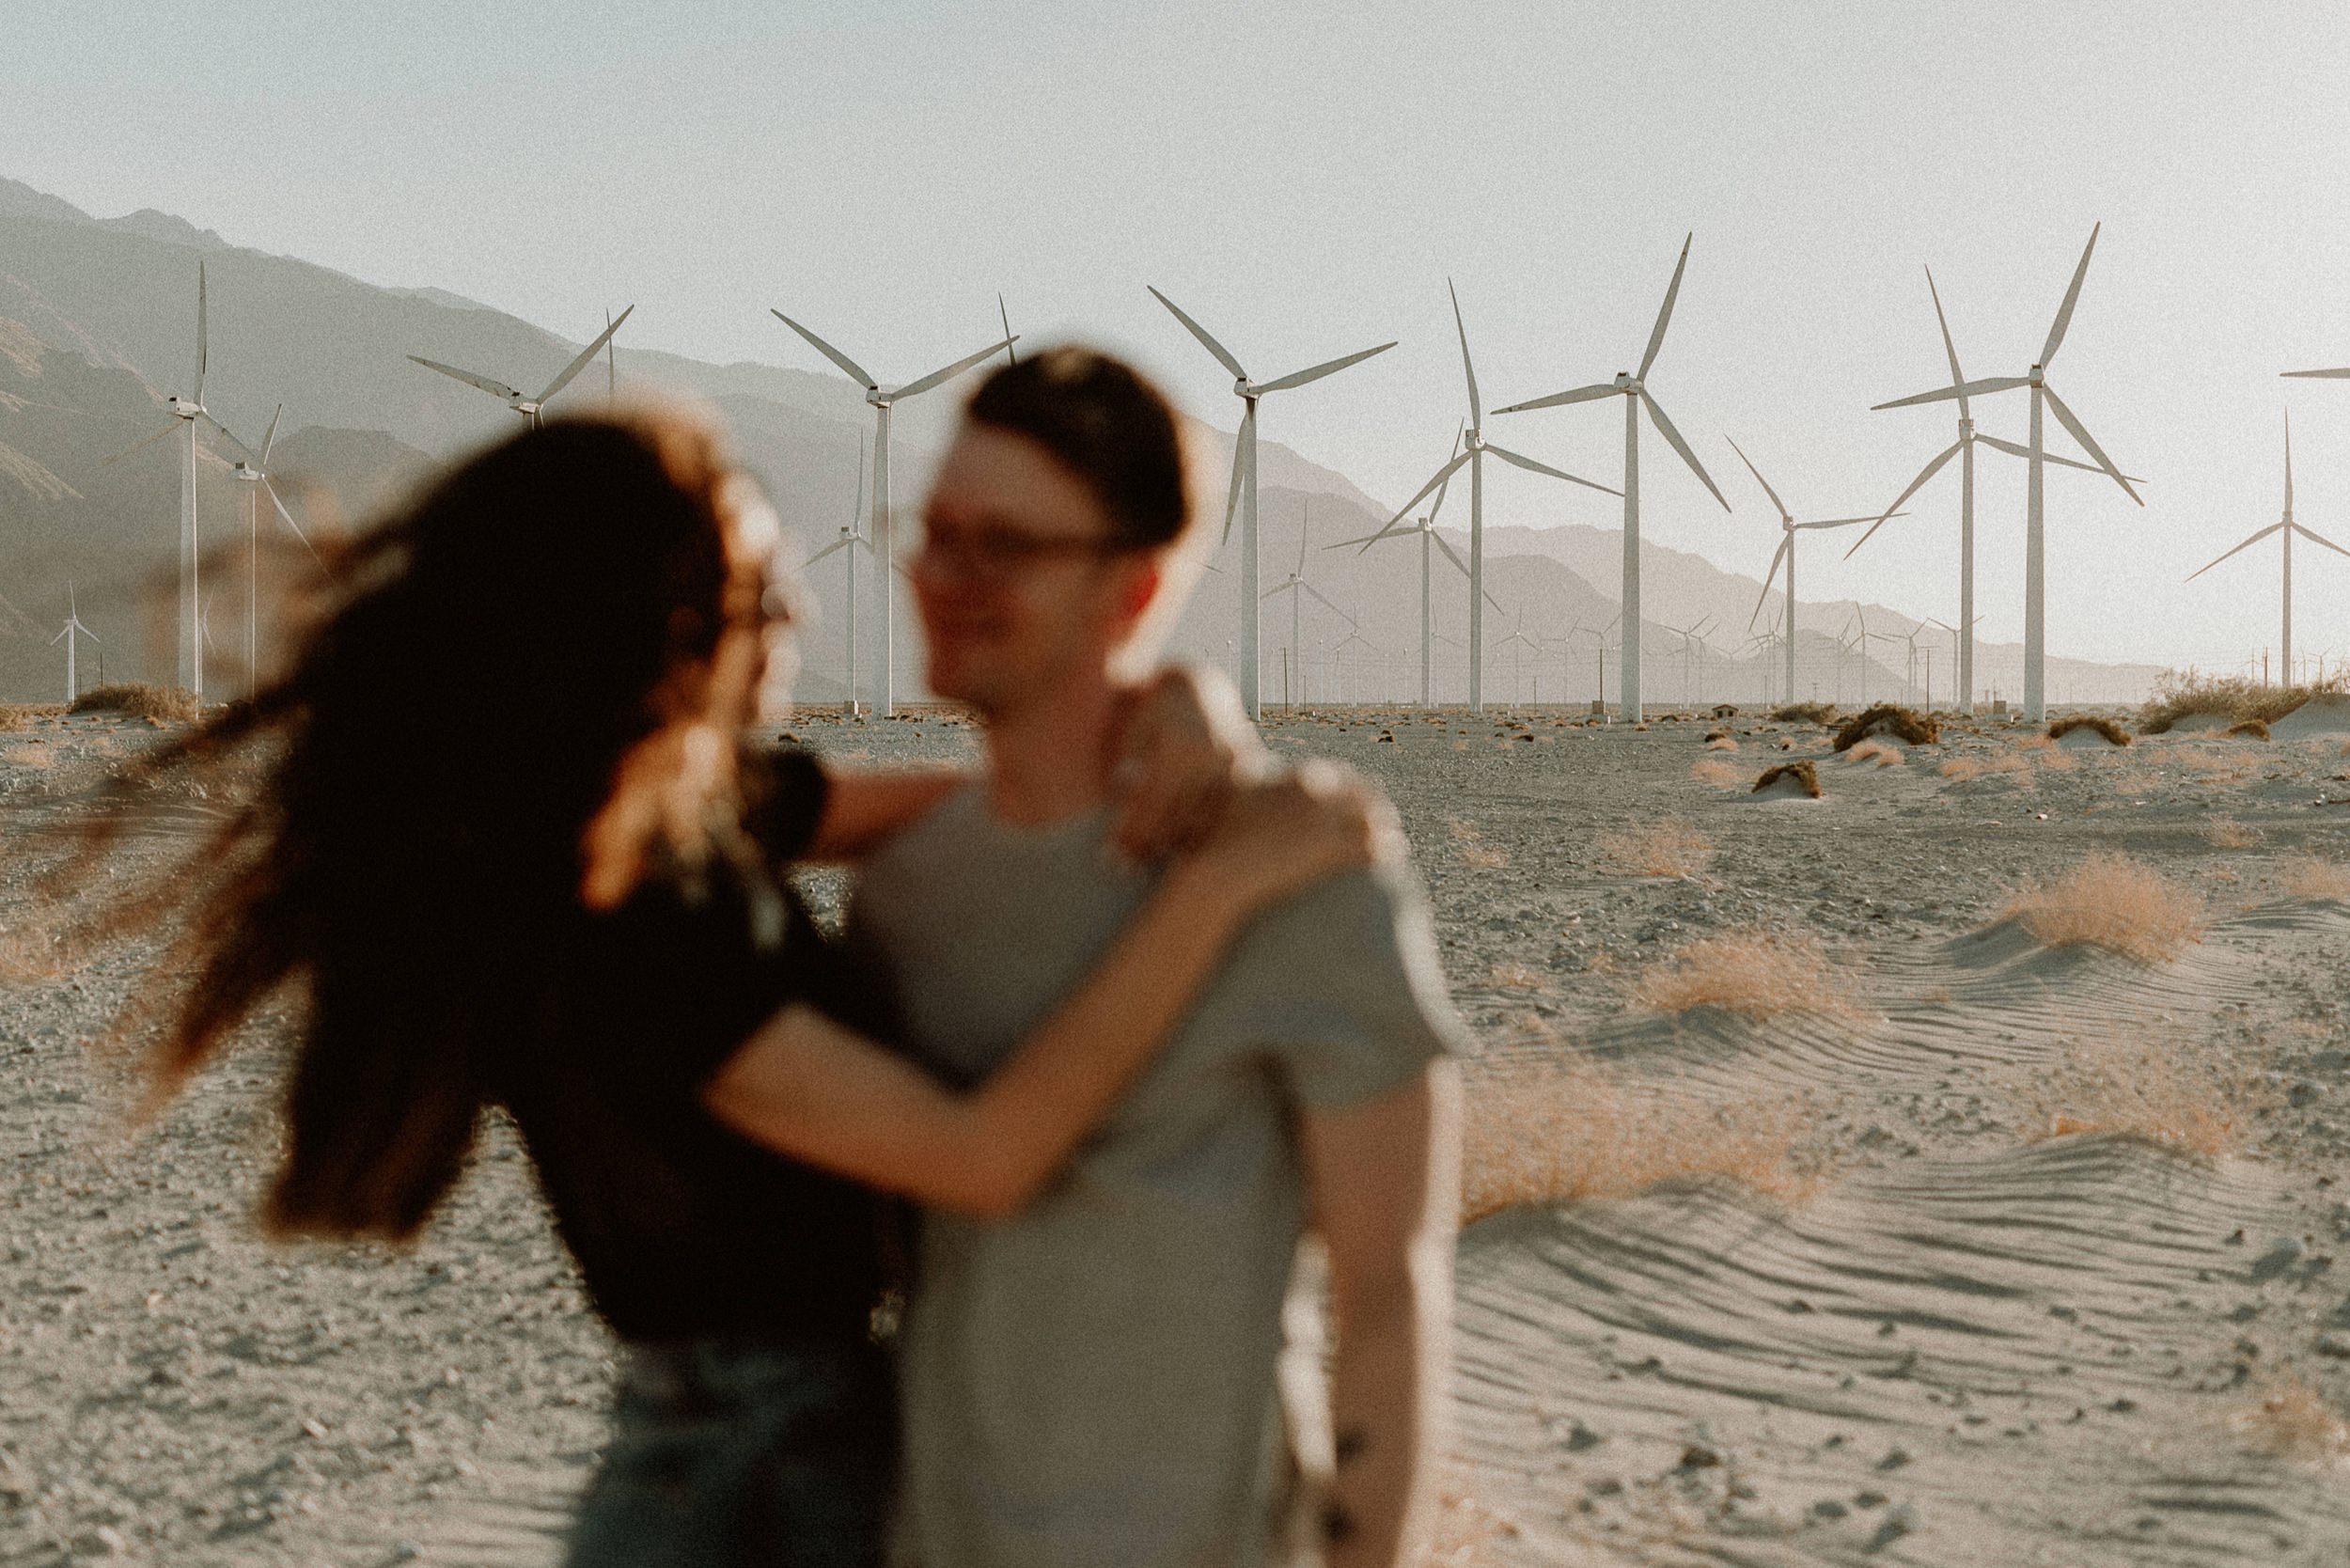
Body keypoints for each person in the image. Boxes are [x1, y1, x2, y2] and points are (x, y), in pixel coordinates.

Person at [93, 405, 1400, 1568]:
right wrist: (1216, 890)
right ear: (668, 624)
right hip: (760, 1472)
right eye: (765, 594)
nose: (805, 618)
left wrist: (1184, 706)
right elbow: (985, 1152)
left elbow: (980, 805)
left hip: (757, 1431)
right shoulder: (634, 926)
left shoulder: (651, 810)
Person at [718, 348, 1466, 1568]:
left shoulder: (1305, 875)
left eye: (1002, 546)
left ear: (1133, 585)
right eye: (935, 533)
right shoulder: (904, 893)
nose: (945, 580)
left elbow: (1392, 1293)